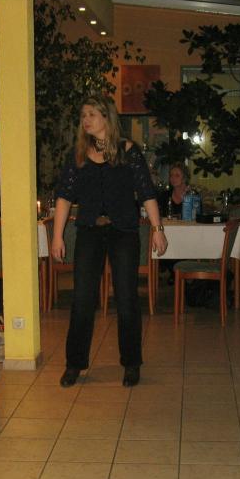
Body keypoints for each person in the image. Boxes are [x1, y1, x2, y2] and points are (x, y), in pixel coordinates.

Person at [53, 94, 167, 388]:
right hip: (89, 231)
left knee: (126, 298)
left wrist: (158, 229)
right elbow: (64, 196)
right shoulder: (78, 155)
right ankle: (74, 364)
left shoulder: (128, 151)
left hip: (123, 231)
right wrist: (57, 236)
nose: (86, 120)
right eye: (83, 115)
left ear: (107, 117)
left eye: (92, 114)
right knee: (82, 299)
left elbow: (146, 192)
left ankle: (131, 363)